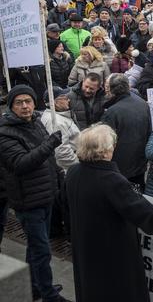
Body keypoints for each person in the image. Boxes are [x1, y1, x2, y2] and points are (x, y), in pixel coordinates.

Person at [65, 124, 153, 302]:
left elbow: (62, 206)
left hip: (86, 248)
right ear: (104, 151)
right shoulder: (111, 180)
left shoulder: (73, 172)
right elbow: (146, 214)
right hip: (111, 253)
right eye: (112, 147)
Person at [0, 85, 69, 302]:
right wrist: (50, 143)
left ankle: (36, 286)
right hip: (28, 201)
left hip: (45, 195)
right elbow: (20, 164)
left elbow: (47, 160)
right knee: (41, 250)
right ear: (11, 106)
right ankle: (48, 295)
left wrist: (58, 179)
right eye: (19, 102)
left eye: (28, 101)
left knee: (36, 247)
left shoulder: (36, 122)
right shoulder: (5, 133)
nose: (25, 106)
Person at [101, 74, 152, 191]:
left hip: (118, 166)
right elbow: (149, 131)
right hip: (139, 163)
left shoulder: (112, 112)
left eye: (107, 87)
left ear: (112, 90)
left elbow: (105, 143)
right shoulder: (142, 103)